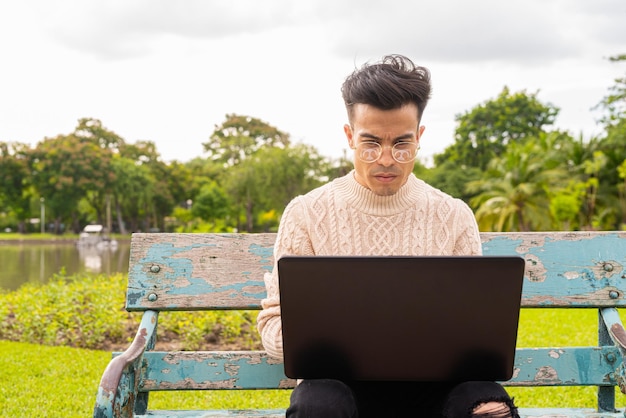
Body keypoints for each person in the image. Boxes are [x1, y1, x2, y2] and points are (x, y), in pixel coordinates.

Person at [256, 54, 519, 418]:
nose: (386, 159)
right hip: (338, 388)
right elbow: (273, 324)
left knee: (488, 405)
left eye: (401, 144)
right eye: (370, 143)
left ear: (420, 137)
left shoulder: (453, 214)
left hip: (436, 389)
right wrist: (323, 345)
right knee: (319, 404)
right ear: (349, 136)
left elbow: (473, 328)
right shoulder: (306, 212)